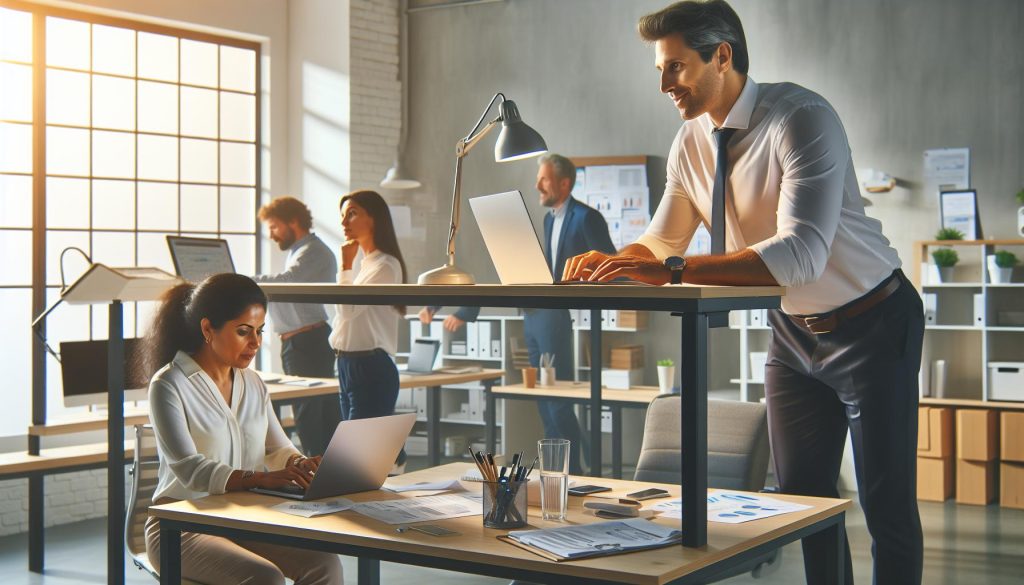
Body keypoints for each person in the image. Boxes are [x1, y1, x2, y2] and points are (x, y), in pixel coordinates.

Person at [564, 2, 923, 583]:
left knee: (887, 506)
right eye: (660, 69)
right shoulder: (690, 140)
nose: (663, 84)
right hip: (793, 334)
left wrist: (673, 269)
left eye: (675, 67)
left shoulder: (801, 118)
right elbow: (663, 238)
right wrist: (617, 261)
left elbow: (800, 255)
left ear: (722, 55)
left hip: (873, 322)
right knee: (802, 504)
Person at [136, 273, 342, 585]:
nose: (256, 342)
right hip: (179, 525)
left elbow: (277, 448)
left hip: (243, 516)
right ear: (208, 329)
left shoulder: (253, 382)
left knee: (324, 564)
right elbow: (189, 469)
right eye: (244, 332)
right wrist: (262, 478)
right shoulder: (169, 384)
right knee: (264, 577)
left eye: (259, 331)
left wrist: (299, 464)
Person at [529, 153, 617, 475]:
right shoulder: (549, 218)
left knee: (558, 399)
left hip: (565, 316)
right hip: (541, 313)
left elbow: (611, 265)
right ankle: (556, 470)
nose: (537, 184)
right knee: (543, 397)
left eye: (544, 179)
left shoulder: (586, 218)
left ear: (564, 183)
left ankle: (575, 471)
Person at [254, 196, 341, 457]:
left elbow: (287, 281)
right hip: (300, 342)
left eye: (274, 226)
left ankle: (319, 474)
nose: (271, 234)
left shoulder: (313, 250)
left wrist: (237, 279)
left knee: (311, 415)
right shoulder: (299, 252)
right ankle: (326, 473)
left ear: (293, 222)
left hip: (308, 342)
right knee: (314, 412)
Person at [329, 190, 408, 468]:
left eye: (352, 213)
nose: (344, 222)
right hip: (347, 364)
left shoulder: (385, 265)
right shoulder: (364, 266)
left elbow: (347, 310)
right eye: (342, 216)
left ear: (374, 219)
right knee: (357, 453)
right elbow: (345, 319)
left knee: (355, 455)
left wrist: (344, 265)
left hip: (370, 367)